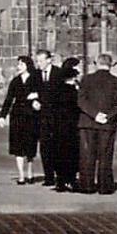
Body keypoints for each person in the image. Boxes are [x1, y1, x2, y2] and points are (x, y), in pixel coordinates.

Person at [77, 52, 117, 194]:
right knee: (106, 156)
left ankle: (87, 185)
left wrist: (94, 114)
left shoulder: (86, 79)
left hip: (88, 122)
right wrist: (107, 116)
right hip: (107, 124)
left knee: (87, 156)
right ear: (110, 65)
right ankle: (104, 187)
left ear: (96, 63)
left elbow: (81, 101)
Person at [0, 54, 41, 184]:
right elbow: (9, 99)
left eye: (21, 64)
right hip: (17, 116)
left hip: (31, 116)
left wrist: (37, 96)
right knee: (18, 146)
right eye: (18, 64)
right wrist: (2, 115)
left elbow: (45, 92)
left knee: (30, 146)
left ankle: (30, 172)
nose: (18, 67)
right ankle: (21, 175)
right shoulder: (15, 81)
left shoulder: (35, 78)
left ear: (28, 65)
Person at [50, 58, 82, 192]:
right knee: (72, 154)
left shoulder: (56, 90)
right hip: (72, 128)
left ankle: (60, 180)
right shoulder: (74, 92)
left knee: (59, 153)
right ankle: (71, 179)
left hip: (58, 127)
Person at [34, 49, 63, 186]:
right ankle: (48, 176)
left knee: (57, 147)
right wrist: (33, 101)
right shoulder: (36, 75)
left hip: (57, 118)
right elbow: (31, 91)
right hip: (42, 118)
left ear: (48, 60)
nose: (38, 64)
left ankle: (60, 175)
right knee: (45, 148)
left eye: (40, 61)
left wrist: (40, 99)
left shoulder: (58, 73)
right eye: (37, 61)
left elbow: (59, 94)